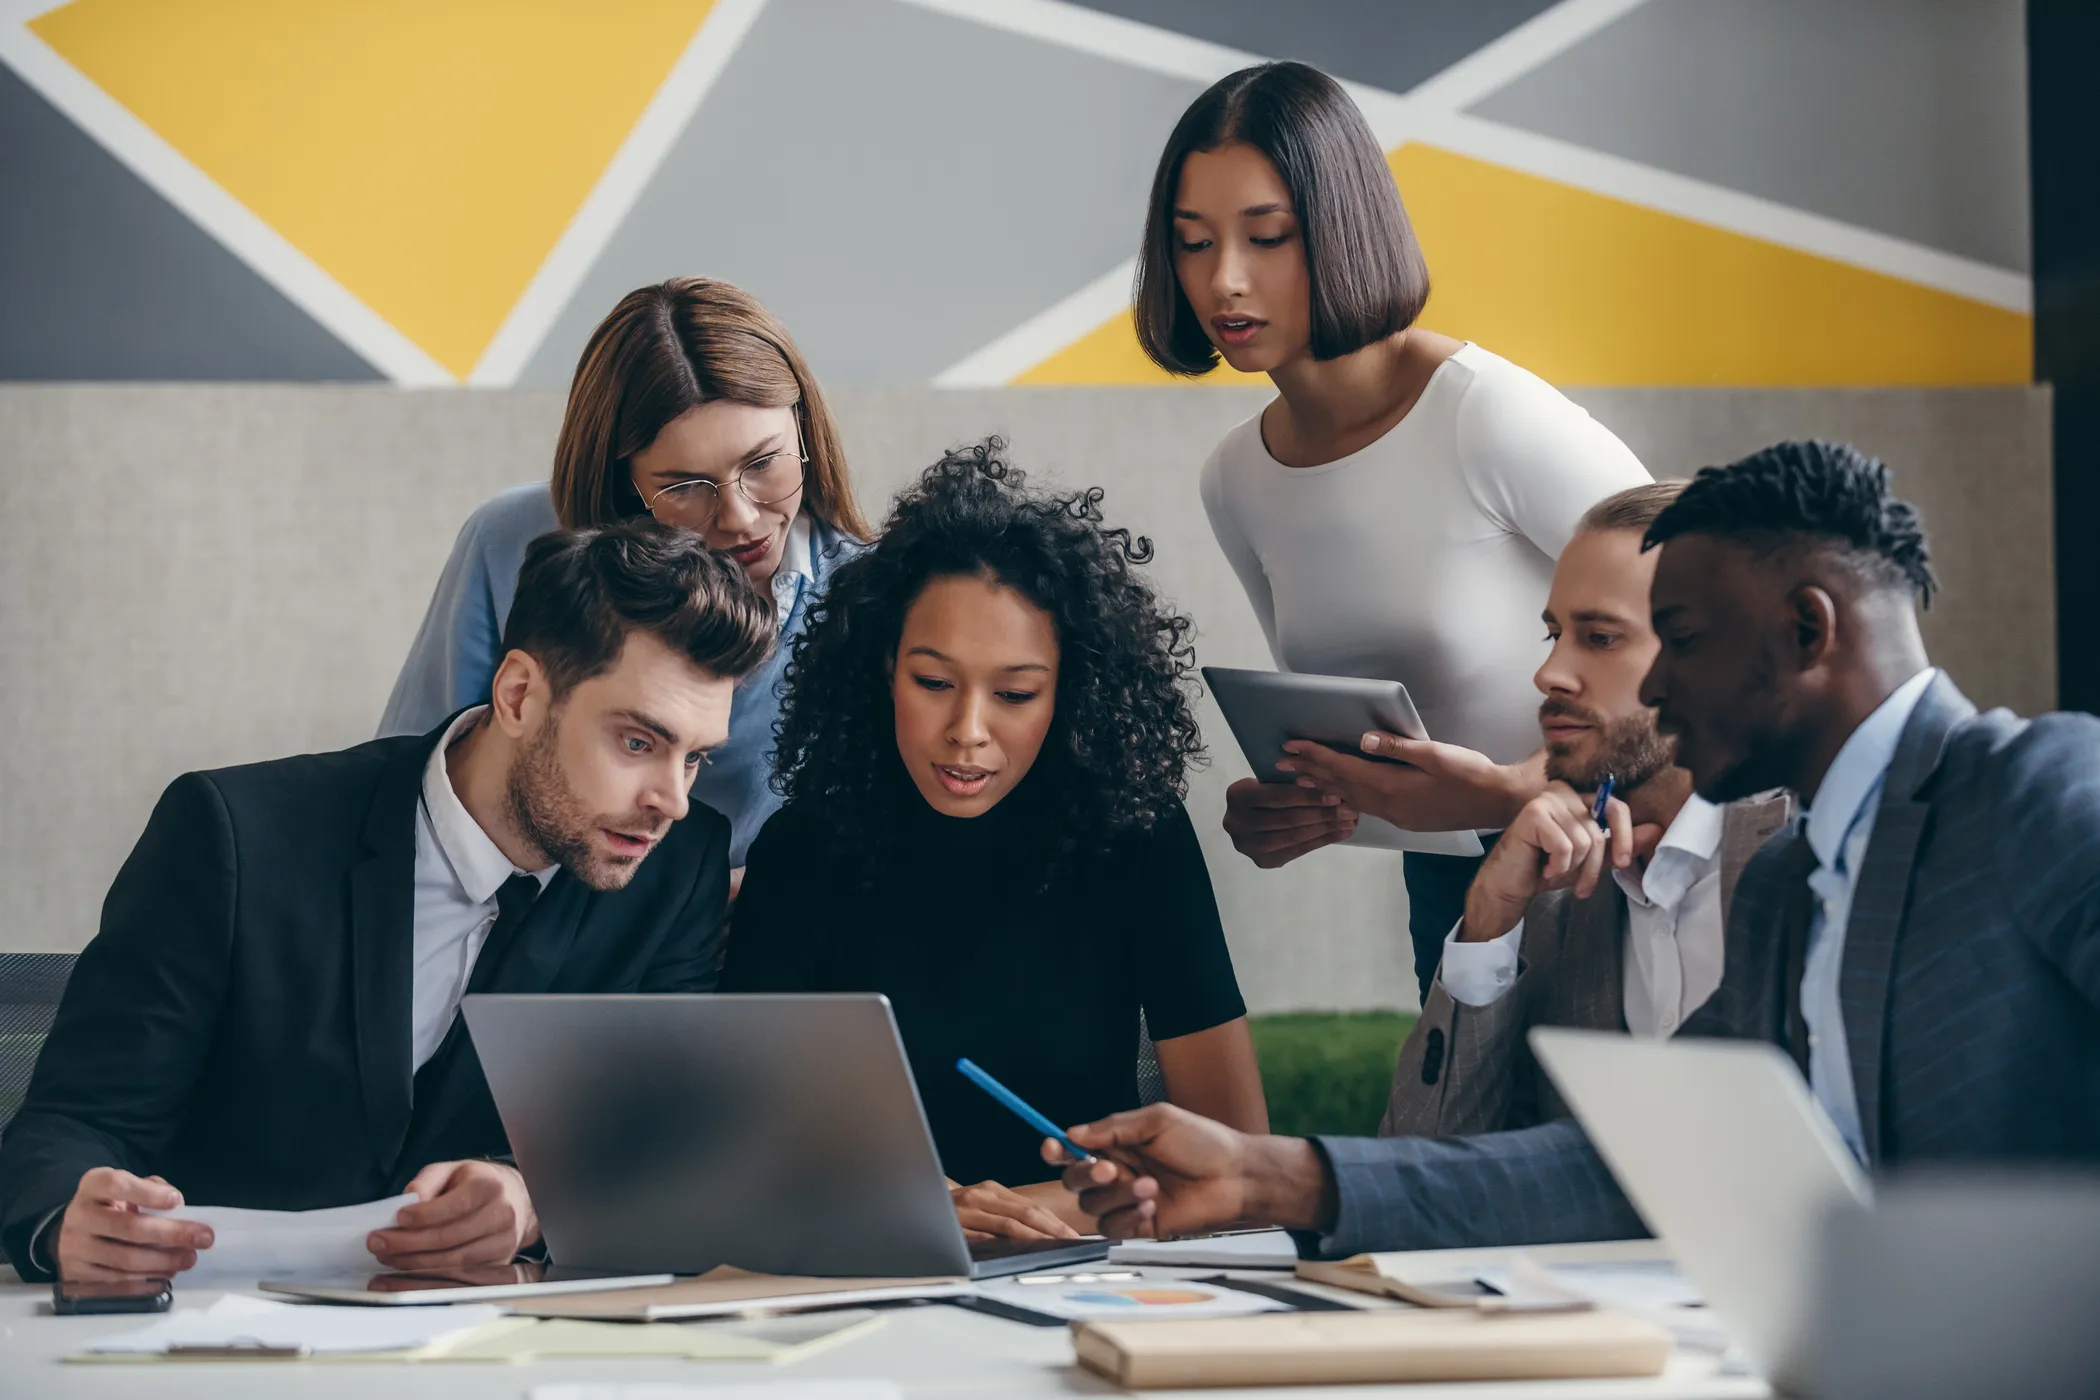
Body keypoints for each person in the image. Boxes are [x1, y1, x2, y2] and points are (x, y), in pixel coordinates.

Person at [1050, 440, 2100, 1253]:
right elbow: (1640, 1165)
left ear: (1807, 631)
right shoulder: (1797, 886)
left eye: (1674, 640)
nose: (1656, 684)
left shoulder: (2040, 789)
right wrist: (1272, 1176)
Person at [0, 521, 775, 1283]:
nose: (670, 800)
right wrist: (71, 1218)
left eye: (696, 757)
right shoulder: (234, 836)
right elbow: (75, 1123)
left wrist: (529, 1196)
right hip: (219, 1333)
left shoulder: (678, 867)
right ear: (517, 695)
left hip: (490, 1345)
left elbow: (654, 1137)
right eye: (639, 743)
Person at [1137, 61, 1651, 998]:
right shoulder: (1236, 481)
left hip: (1615, 859)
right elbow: (1355, 726)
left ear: (1339, 230)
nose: (1226, 279)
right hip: (1447, 887)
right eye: (1193, 243)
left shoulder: (1485, 418)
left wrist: (1509, 789)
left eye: (1267, 236)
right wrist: (1297, 804)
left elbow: (1710, 647)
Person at [721, 440, 1266, 1243]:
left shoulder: (1138, 839)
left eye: (1015, 693)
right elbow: (746, 1157)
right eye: (933, 683)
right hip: (870, 1266)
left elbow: (1237, 1160)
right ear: (882, 670)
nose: (967, 733)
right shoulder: (800, 852)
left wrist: (1018, 1212)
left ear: (1068, 692)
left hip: (1087, 1266)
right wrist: (910, 1212)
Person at [378, 277, 870, 874]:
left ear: (804, 429)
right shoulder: (510, 540)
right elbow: (416, 779)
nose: (741, 518)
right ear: (622, 484)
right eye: (685, 486)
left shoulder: (872, 596)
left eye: (764, 463)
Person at [1381, 482, 1791, 1138]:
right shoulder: (1552, 889)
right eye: (1553, 635)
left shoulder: (1826, 855)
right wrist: (1488, 922)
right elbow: (1427, 1172)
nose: (1549, 674)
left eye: (1598, 638)